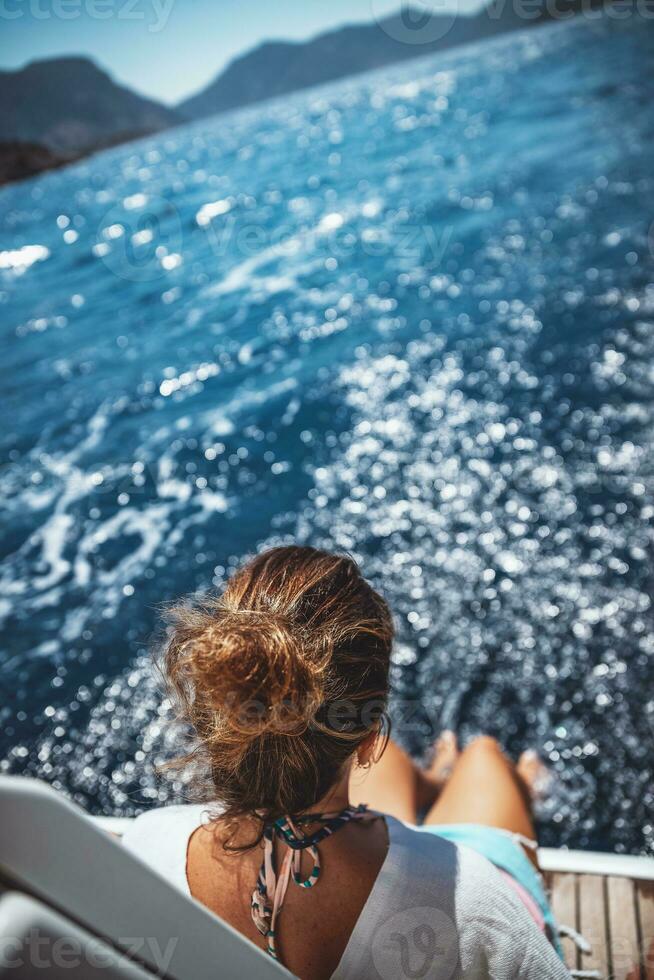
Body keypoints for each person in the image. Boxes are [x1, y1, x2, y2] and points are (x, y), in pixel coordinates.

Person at [123, 546, 570, 979]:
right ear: (368, 738)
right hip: (419, 865)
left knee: (399, 767)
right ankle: (500, 784)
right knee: (485, 757)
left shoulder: (147, 847)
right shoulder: (470, 902)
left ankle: (435, 779)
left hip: (380, 851)